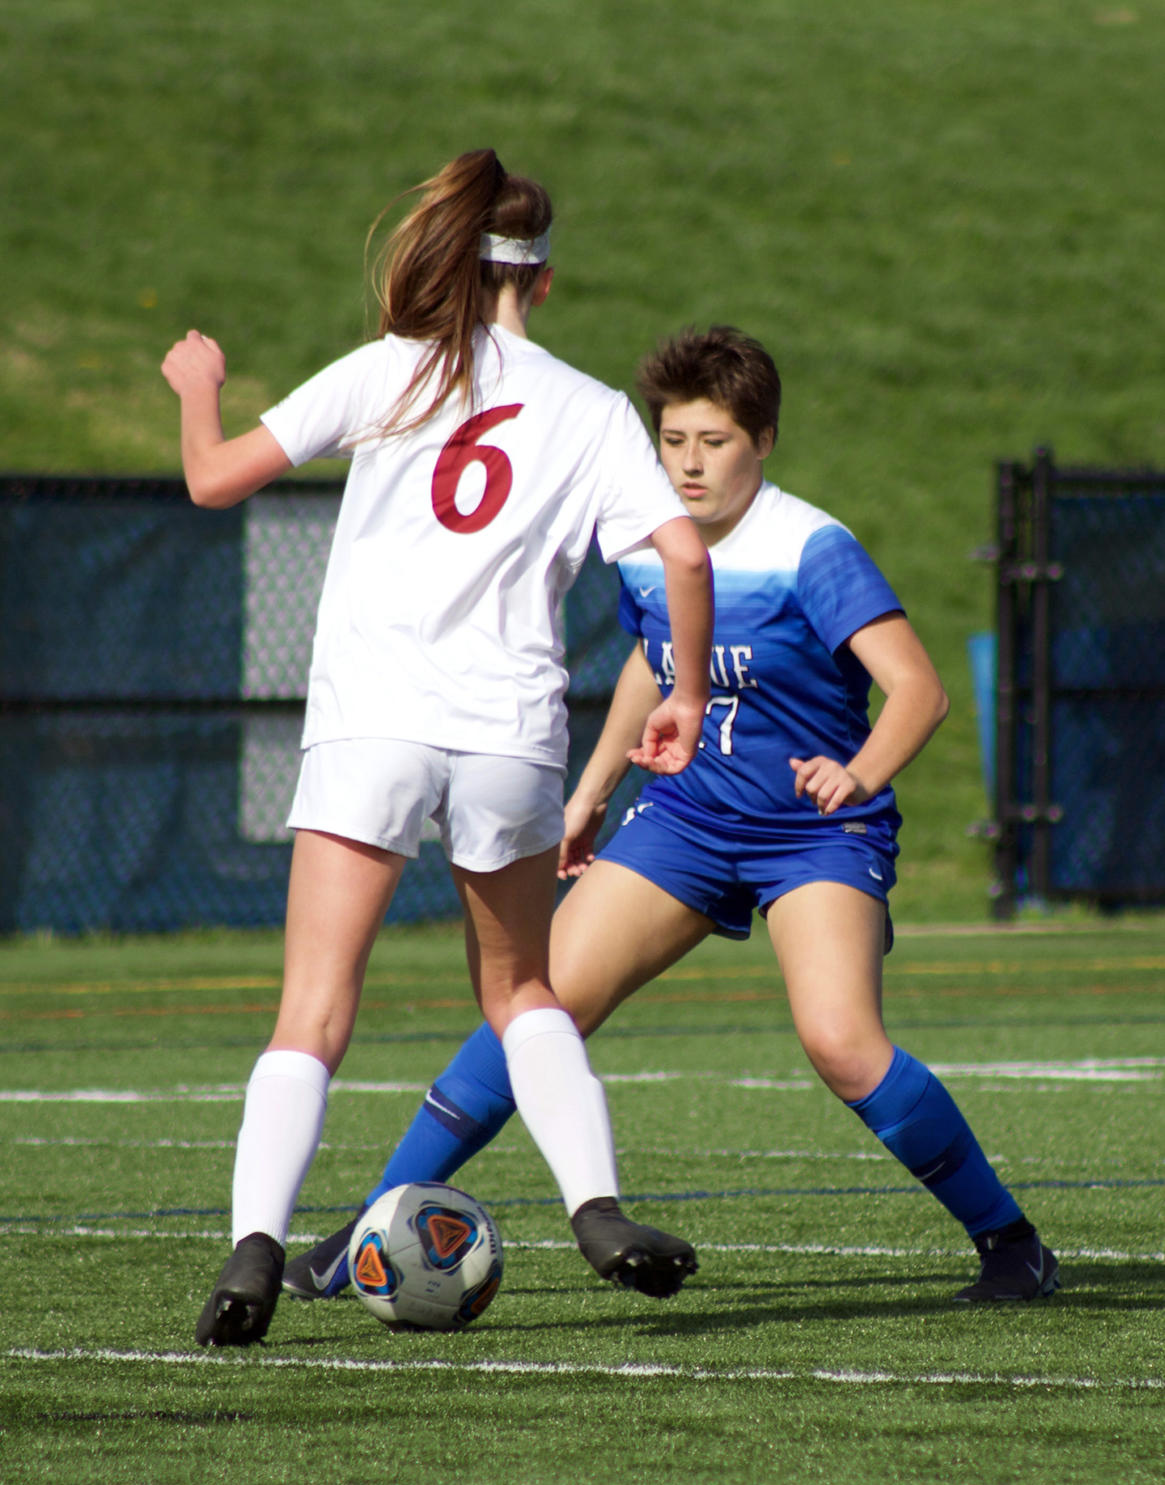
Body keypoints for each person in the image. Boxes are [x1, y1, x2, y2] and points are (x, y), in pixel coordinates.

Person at [283, 325, 1060, 1308]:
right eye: (675, 440)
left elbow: (917, 689)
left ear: (764, 441)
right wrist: (591, 793)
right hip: (688, 819)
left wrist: (857, 774)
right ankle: (369, 1222)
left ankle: (1012, 1244)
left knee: (840, 1041)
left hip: (811, 832)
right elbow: (656, 662)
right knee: (537, 1006)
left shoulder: (810, 548)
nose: (691, 464)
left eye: (716, 441)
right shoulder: (653, 543)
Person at [161, 150, 715, 1348]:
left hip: (375, 720)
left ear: (450, 259)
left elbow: (212, 481)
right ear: (546, 282)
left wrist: (197, 385)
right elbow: (682, 554)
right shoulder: (586, 407)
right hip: (510, 731)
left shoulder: (386, 371)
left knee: (312, 1010)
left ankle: (256, 1248)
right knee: (521, 991)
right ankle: (598, 1211)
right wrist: (679, 689)